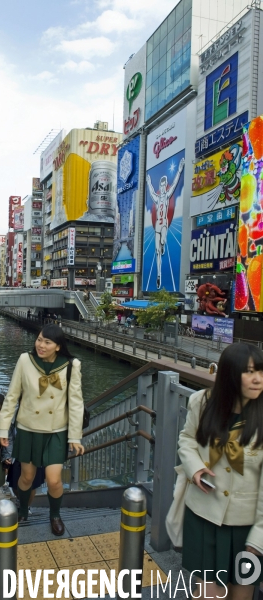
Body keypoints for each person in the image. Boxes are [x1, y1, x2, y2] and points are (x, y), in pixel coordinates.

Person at [178, 343, 263, 599]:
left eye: (260, 370)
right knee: (207, 594)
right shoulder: (201, 402)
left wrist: (257, 541)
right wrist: (195, 469)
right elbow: (187, 439)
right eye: (249, 372)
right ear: (228, 375)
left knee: (241, 595)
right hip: (203, 517)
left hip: (247, 528)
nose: (258, 378)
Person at [0, 323, 85, 536]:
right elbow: (12, 396)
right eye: (39, 339)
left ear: (58, 346)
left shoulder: (71, 365)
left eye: (47, 342)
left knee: (54, 479)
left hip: (56, 430)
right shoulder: (25, 360)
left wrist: (74, 436)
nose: (41, 345)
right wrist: (3, 429)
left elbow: (75, 403)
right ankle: (24, 508)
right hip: (28, 428)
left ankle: (55, 515)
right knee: (26, 477)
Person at [146, 157, 184, 289]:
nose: (162, 188)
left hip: (164, 225)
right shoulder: (156, 198)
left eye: (164, 185)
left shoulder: (167, 196)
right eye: (161, 186)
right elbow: (150, 191)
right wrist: (149, 182)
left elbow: (174, 184)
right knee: (157, 252)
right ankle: (159, 276)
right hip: (157, 225)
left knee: (162, 241)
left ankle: (162, 244)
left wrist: (179, 171)